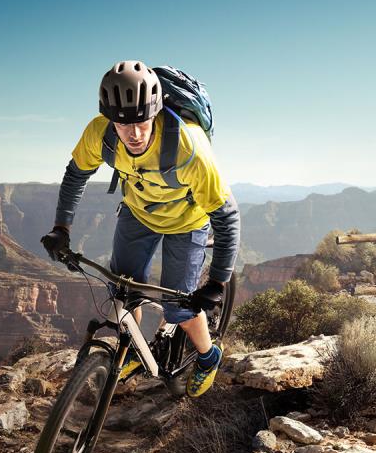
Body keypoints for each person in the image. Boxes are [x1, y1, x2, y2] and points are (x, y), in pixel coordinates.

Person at [40, 61, 240, 397]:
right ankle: (132, 350)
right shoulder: (99, 133)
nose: (134, 134)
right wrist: (61, 228)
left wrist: (218, 282)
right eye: (123, 124)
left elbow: (226, 216)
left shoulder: (187, 147)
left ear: (156, 112)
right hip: (138, 213)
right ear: (110, 119)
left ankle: (208, 356)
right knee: (123, 293)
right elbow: (76, 175)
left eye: (142, 122)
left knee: (180, 309)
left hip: (186, 223)